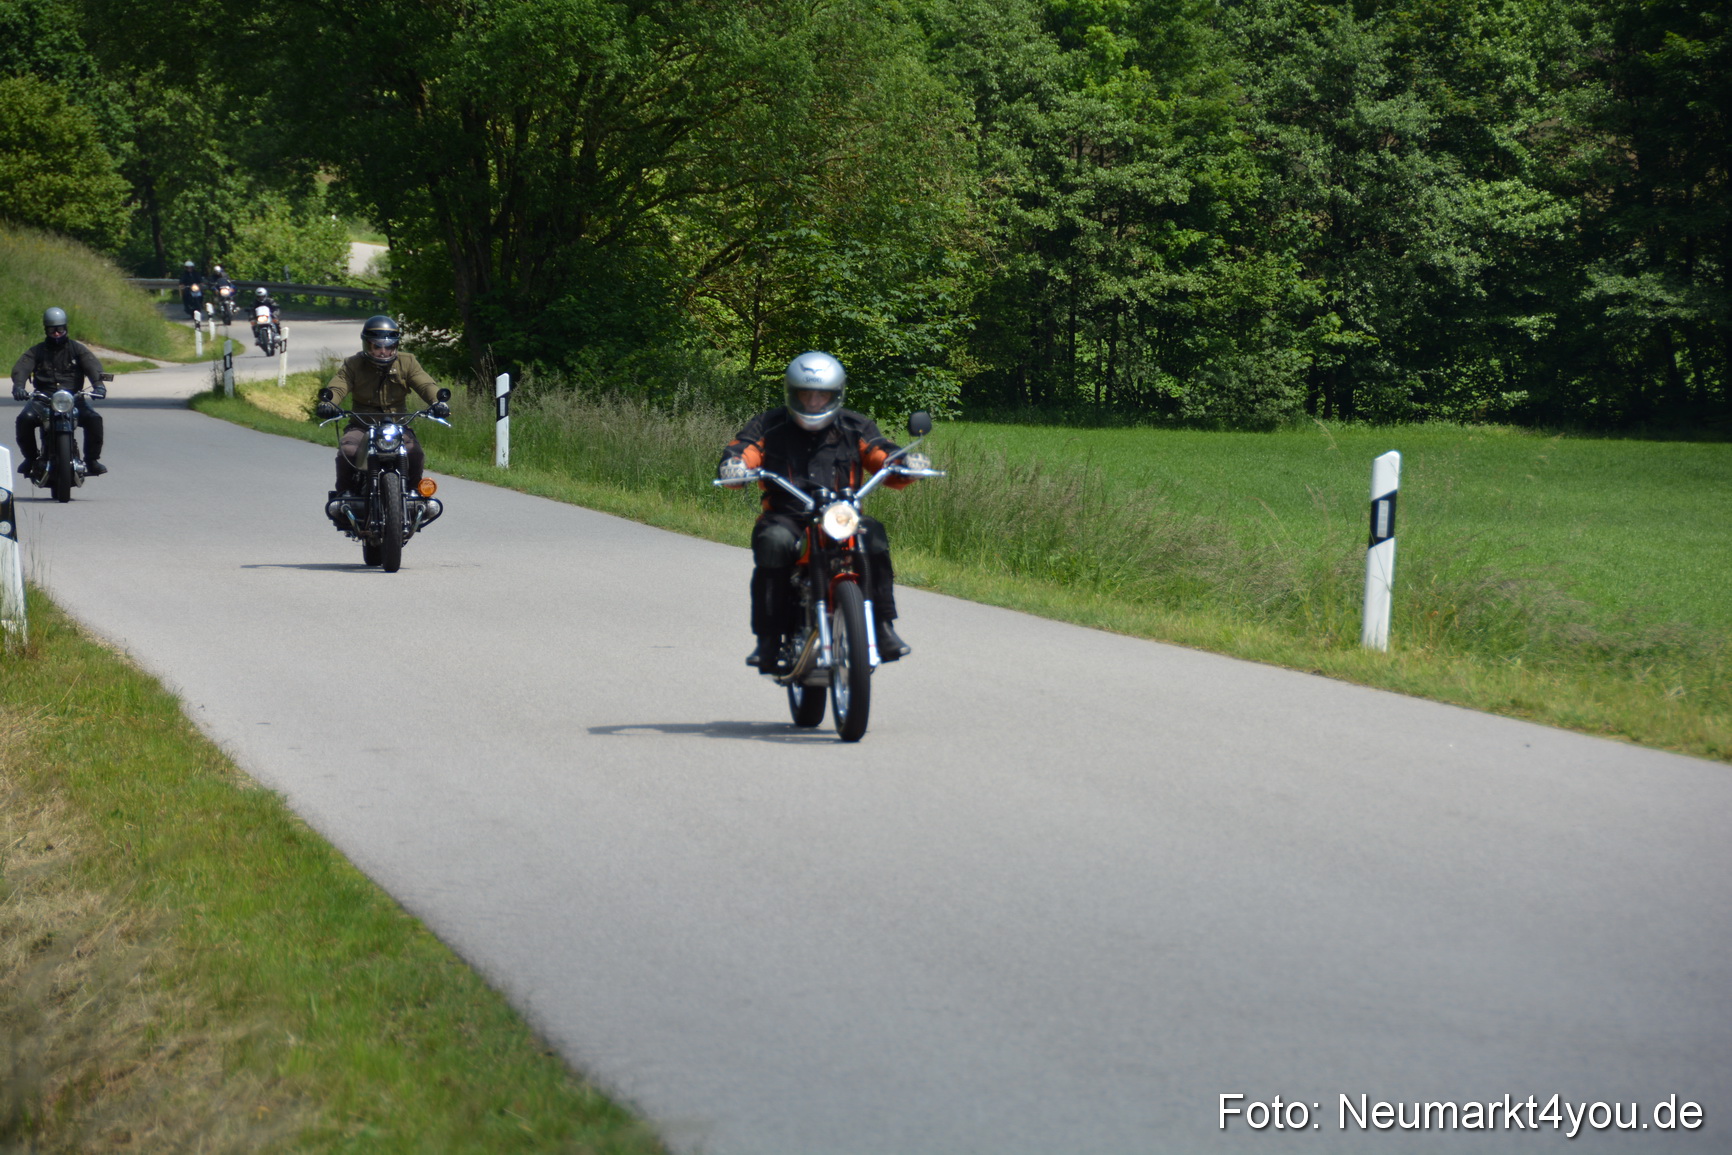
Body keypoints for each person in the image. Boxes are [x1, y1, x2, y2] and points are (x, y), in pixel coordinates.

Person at [717, 351, 928, 674]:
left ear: (836, 395)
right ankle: (769, 639)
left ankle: (883, 626)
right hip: (787, 516)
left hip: (839, 515)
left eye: (822, 395)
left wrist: (905, 463)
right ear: (792, 393)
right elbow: (744, 448)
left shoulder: (855, 426)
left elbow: (880, 452)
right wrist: (735, 465)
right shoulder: (769, 425)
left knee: (872, 536)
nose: (814, 401)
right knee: (772, 542)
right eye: (806, 394)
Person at [313, 315, 448, 498]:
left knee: (414, 452)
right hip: (362, 425)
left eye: (389, 346)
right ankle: (344, 496)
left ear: (396, 346)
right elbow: (338, 386)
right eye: (377, 346)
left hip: (397, 425)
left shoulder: (407, 362)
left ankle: (415, 494)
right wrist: (328, 403)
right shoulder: (353, 364)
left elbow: (425, 384)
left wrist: (437, 402)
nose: (383, 351)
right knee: (348, 450)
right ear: (367, 345)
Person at [10, 307, 107, 477]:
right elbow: (22, 367)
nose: (56, 333)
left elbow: (92, 366)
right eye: (52, 330)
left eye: (60, 329)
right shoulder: (37, 351)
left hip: (74, 399)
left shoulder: (77, 349)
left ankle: (92, 460)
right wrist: (19, 386)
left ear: (66, 329)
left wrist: (99, 385)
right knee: (24, 419)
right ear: (46, 330)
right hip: (43, 399)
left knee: (94, 419)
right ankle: (30, 458)